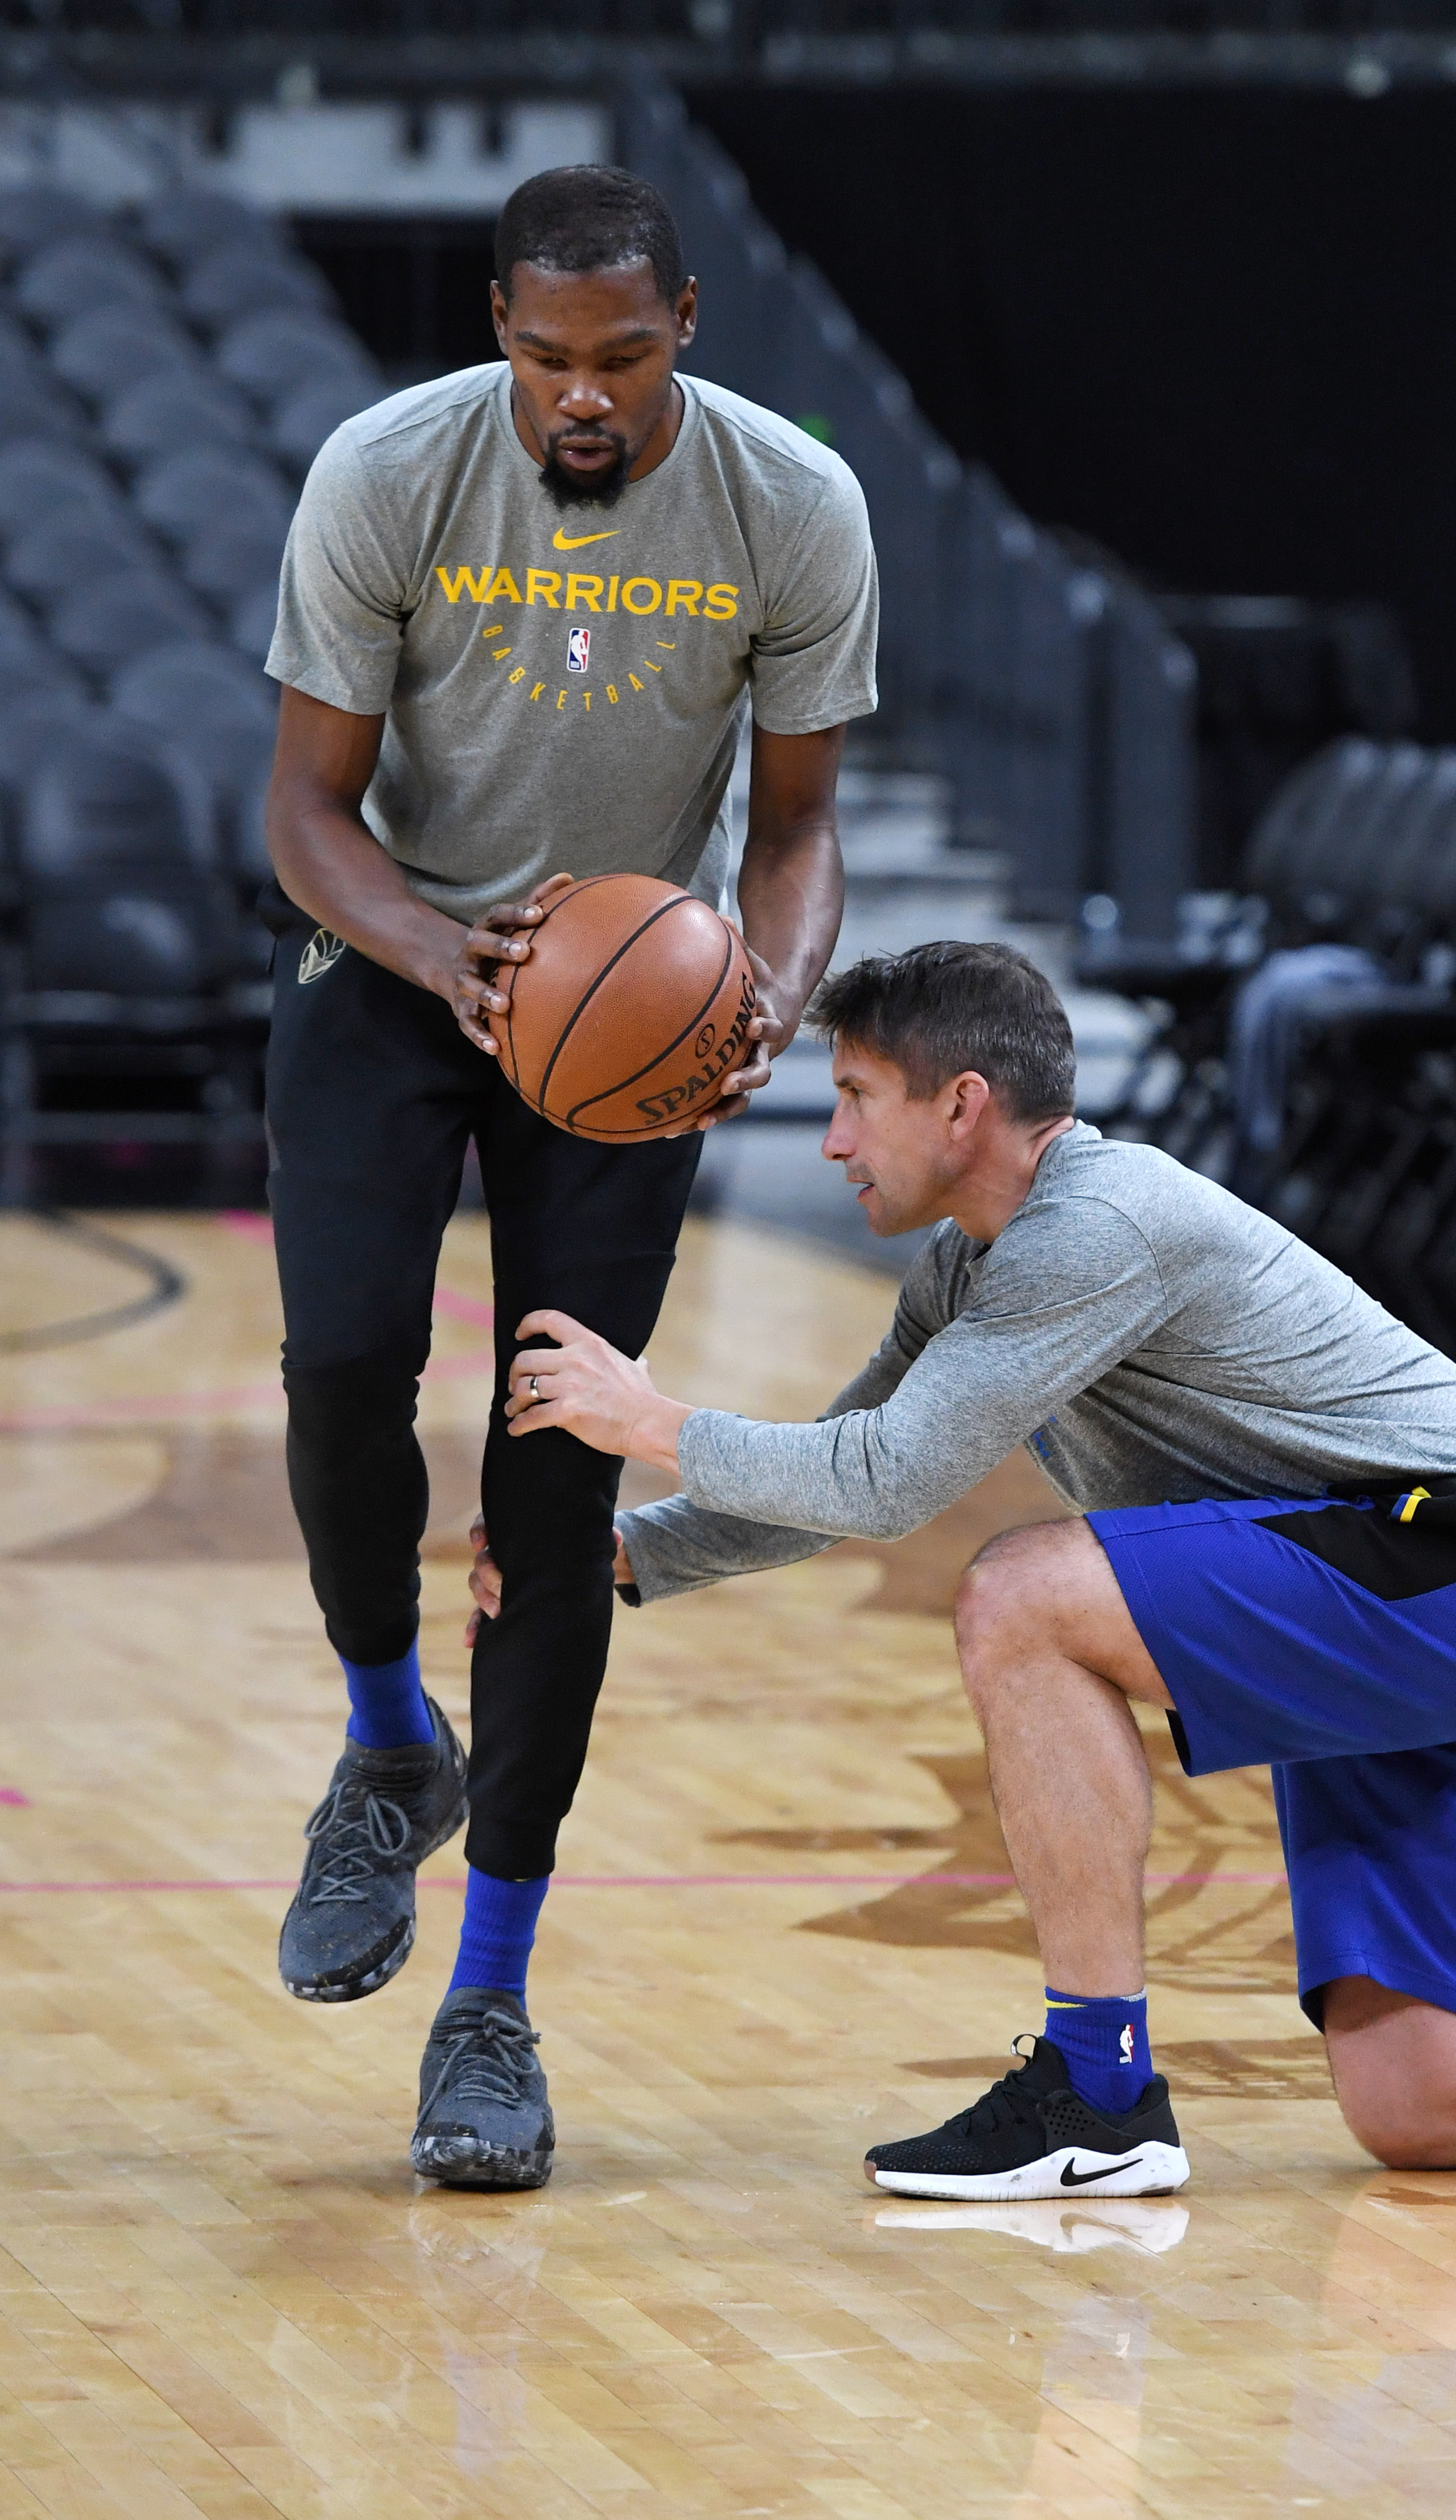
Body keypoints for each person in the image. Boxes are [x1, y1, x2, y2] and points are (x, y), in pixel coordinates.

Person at [477, 940, 1456, 2200]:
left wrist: (651, 1415)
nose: (828, 1136)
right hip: (1410, 1592)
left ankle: (1095, 2084)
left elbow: (891, 1488)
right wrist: (620, 1557)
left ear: (961, 1104)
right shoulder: (973, 1259)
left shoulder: (1100, 1221)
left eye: (857, 1095)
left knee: (1021, 1593)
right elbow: (840, 1477)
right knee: (1429, 2100)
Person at [262, 162, 877, 2191]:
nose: (581, 393)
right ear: (498, 331)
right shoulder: (389, 469)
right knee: (347, 1368)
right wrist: (451, 957)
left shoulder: (792, 505)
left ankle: (491, 2003)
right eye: (544, 356)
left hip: (628, 1029)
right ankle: (382, 1742)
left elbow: (792, 824)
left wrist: (770, 991)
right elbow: (305, 807)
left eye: (619, 355)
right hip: (391, 970)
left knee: (555, 1476)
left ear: (683, 322)